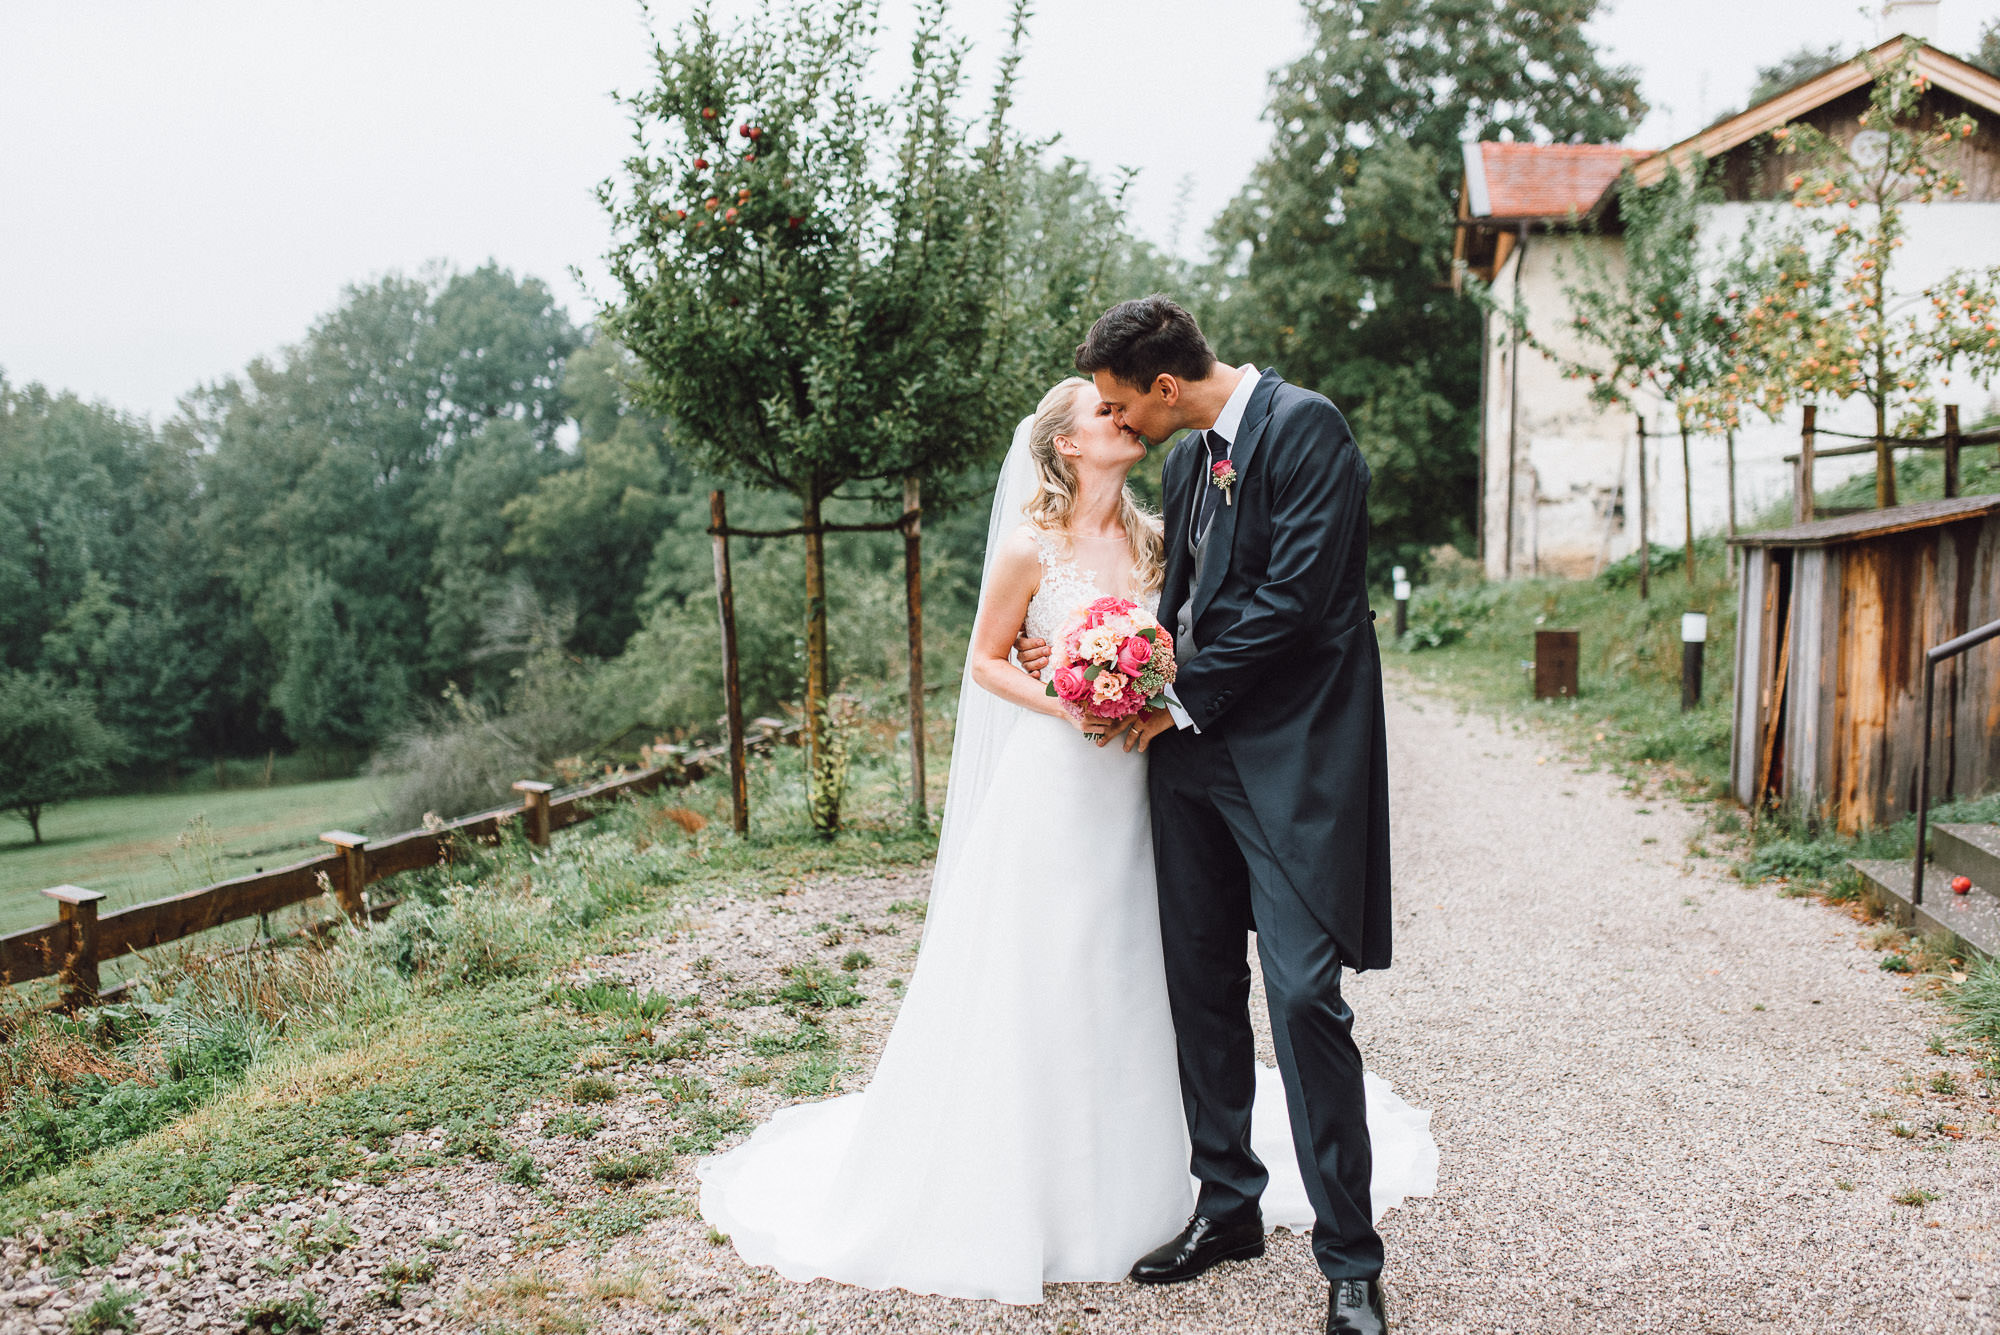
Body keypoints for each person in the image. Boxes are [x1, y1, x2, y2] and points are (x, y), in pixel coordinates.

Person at [698, 355, 1433, 1325]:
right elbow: (983, 663)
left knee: (1145, 975)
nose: (1123, 417)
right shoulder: (1026, 548)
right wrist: (1066, 690)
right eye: (1103, 410)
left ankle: (1197, 1192)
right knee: (1049, 972)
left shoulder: (1161, 533)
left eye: (1123, 402)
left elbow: (1203, 631)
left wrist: (1136, 673)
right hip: (1062, 776)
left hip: (1146, 779)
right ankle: (1049, 1179)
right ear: (1066, 442)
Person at [1020, 296, 1402, 1334]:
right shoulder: (1188, 464)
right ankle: (1226, 1207)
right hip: (1182, 763)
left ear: (1162, 386)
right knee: (1194, 987)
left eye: (1114, 403)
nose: (1114, 423)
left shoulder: (1306, 426)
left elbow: (1300, 600)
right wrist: (1106, 672)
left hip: (1288, 759)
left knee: (1301, 996)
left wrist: (1177, 694)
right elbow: (1176, 605)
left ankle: (1350, 1260)